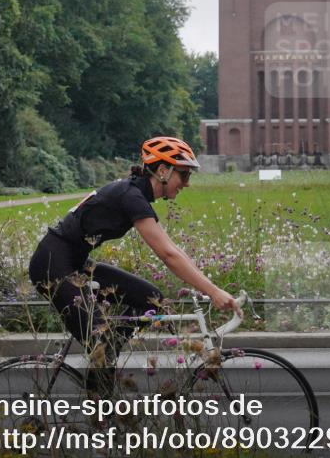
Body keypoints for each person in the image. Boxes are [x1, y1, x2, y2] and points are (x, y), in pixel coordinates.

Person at [28, 136, 239, 396]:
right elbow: (168, 255)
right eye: (183, 175)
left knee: (152, 300)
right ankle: (101, 415)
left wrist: (208, 284)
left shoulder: (134, 193)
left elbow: (173, 249)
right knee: (101, 343)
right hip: (52, 266)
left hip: (75, 263)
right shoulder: (130, 196)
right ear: (163, 170)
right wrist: (213, 291)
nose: (186, 183)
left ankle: (109, 353)